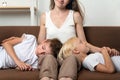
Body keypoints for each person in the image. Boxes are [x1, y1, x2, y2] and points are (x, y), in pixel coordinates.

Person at [38, 0, 87, 80]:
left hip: (69, 56)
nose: (61, 0)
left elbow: (84, 43)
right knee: (49, 58)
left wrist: (101, 50)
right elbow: (40, 42)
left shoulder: (75, 16)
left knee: (71, 58)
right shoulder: (44, 16)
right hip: (50, 56)